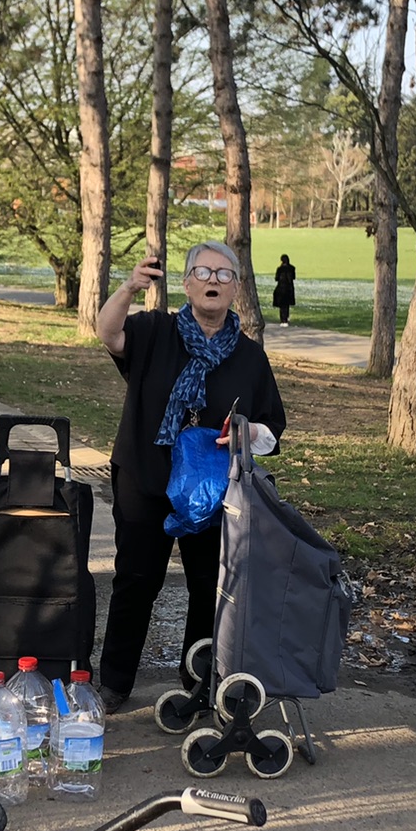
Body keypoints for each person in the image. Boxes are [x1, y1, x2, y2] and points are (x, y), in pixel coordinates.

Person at [95, 242, 286, 713]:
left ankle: (199, 680)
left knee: (208, 586)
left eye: (224, 274)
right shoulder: (154, 331)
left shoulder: (250, 357)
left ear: (236, 288)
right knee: (137, 580)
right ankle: (114, 683)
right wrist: (129, 287)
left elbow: (271, 430)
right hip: (146, 476)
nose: (213, 281)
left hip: (212, 491)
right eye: (203, 272)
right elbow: (108, 333)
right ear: (186, 283)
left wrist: (247, 430)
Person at [273, 253, 297, 326]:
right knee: (287, 305)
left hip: (281, 287)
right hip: (289, 288)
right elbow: (294, 277)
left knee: (282, 305)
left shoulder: (279, 269)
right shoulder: (292, 268)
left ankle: (282, 319)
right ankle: (286, 318)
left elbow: (276, 278)